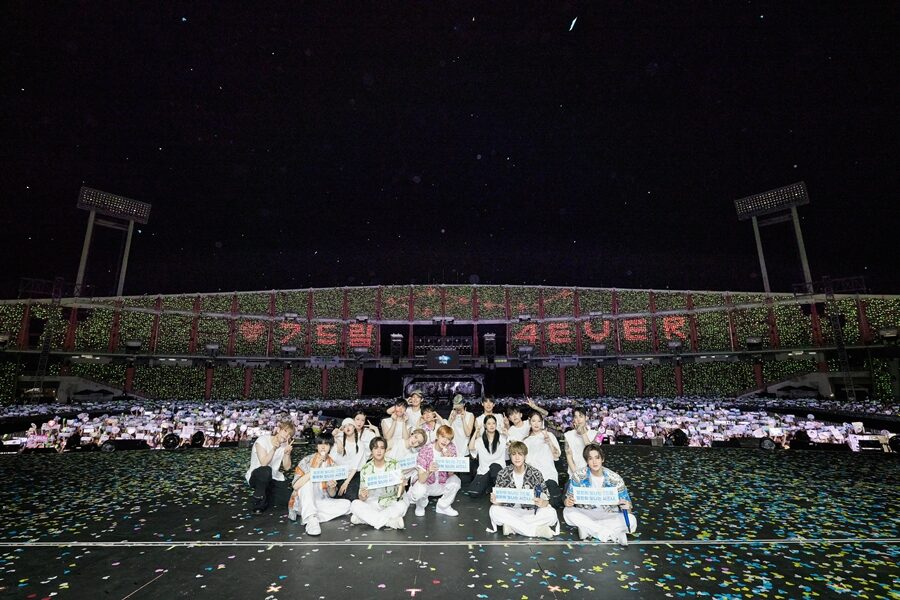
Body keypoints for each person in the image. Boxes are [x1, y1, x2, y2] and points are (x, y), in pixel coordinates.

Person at [563, 443, 636, 545]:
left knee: (631, 520)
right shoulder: (578, 476)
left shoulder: (615, 478)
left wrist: (627, 507)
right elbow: (568, 500)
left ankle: (589, 529)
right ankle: (610, 534)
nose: (594, 462)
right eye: (590, 459)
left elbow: (628, 508)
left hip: (609, 514)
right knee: (567, 512)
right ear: (587, 461)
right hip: (586, 512)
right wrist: (568, 502)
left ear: (602, 459)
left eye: (597, 458)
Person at [488, 441, 558, 539]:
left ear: (525, 456)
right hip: (511, 511)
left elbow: (546, 500)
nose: (517, 458)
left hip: (530, 512)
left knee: (551, 513)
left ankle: (513, 527)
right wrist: (496, 501)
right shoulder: (503, 473)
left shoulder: (535, 473)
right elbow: (499, 500)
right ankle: (535, 531)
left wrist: (542, 502)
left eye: (520, 454)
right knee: (494, 510)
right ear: (510, 456)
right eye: (514, 454)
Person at [288, 435, 351, 536]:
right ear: (316, 446)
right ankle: (311, 519)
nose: (323, 447)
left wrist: (331, 486)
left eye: (326, 444)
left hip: (320, 502)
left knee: (347, 504)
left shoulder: (333, 465)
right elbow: (296, 486)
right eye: (320, 444)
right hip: (303, 502)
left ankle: (311, 517)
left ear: (330, 447)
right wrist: (314, 469)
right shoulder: (306, 460)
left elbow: (332, 495)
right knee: (306, 483)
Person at [350, 437, 410, 530]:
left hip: (392, 501)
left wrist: (402, 486)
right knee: (355, 504)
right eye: (375, 448)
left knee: (401, 506)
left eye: (382, 448)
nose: (379, 451)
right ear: (371, 451)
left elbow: (400, 493)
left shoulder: (394, 464)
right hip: (373, 502)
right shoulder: (365, 469)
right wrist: (362, 496)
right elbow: (362, 497)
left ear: (385, 450)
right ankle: (390, 522)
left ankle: (365, 519)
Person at [408, 425, 462, 517]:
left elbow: (451, 474)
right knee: (419, 490)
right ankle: (420, 505)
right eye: (443, 437)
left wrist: (449, 461)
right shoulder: (425, 450)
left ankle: (443, 507)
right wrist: (429, 471)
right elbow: (421, 479)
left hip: (441, 483)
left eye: (448, 439)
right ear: (437, 436)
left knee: (456, 481)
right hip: (427, 483)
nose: (445, 441)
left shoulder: (451, 449)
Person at [245, 420, 295, 513]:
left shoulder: (285, 445)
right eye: (285, 431)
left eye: (289, 435)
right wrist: (274, 448)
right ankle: (258, 503)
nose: (286, 436)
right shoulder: (262, 440)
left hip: (273, 478)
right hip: (257, 475)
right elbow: (264, 463)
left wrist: (287, 454)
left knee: (288, 499)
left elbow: (287, 467)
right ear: (278, 430)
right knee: (266, 470)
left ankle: (266, 494)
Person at [523, 412, 563, 508]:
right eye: (533, 421)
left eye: (539, 421)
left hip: (549, 475)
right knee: (532, 504)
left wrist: (549, 442)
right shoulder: (526, 441)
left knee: (555, 502)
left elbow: (557, 455)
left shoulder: (549, 435)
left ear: (542, 422)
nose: (536, 423)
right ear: (530, 423)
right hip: (533, 478)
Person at [466, 414, 507, 497]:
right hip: (484, 471)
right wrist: (476, 432)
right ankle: (490, 485)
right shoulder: (480, 440)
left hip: (498, 471)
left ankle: (496, 487)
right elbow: (471, 448)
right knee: (473, 492)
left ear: (496, 425)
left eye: (493, 423)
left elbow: (513, 445)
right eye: (489, 423)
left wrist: (507, 433)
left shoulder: (502, 438)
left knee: (494, 466)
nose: (491, 425)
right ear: (485, 425)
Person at [331, 418, 365, 501]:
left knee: (352, 496)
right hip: (339, 473)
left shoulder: (360, 445)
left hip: (353, 474)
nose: (347, 428)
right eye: (345, 426)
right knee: (336, 493)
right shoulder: (339, 441)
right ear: (343, 430)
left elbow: (355, 467)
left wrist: (346, 482)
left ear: (354, 427)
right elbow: (332, 460)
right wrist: (336, 439)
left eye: (350, 425)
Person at [564, 406, 598, 478]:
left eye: (581, 416)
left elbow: (592, 451)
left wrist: (582, 433)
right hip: (574, 474)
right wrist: (576, 474)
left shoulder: (596, 434)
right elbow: (569, 456)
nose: (578, 419)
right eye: (575, 417)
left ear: (586, 418)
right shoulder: (568, 435)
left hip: (593, 474)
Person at [447, 394, 475, 460]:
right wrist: (451, 419)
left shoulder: (470, 415)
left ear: (464, 404)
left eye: (459, 404)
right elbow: (446, 430)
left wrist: (463, 419)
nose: (458, 408)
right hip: (452, 450)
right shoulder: (452, 413)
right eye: (456, 404)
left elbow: (468, 433)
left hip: (465, 450)